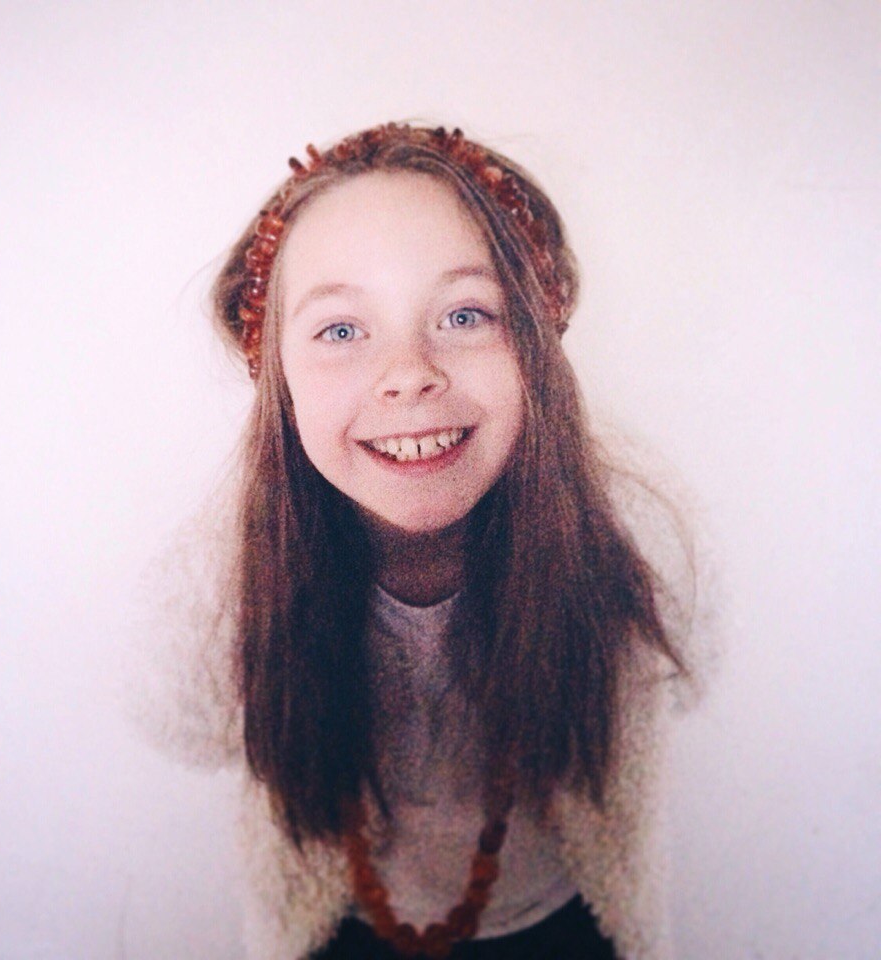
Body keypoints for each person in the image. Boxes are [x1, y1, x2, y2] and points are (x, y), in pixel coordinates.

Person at [186, 123, 693, 960]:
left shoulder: (635, 563)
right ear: (277, 377)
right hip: (340, 930)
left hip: (560, 925)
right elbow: (185, 723)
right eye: (341, 330)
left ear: (533, 351)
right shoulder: (218, 593)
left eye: (464, 314)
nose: (409, 372)